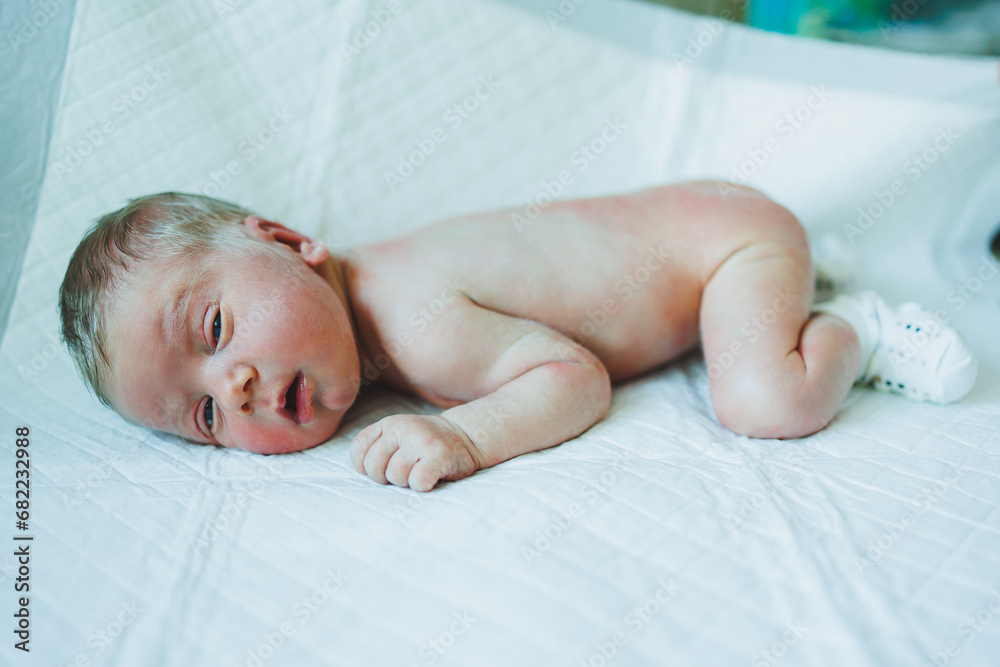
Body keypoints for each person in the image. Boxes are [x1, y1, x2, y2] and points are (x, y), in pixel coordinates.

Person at [58, 182, 977, 491]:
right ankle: (804, 278)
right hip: (710, 233)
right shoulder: (358, 321)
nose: (242, 386)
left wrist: (464, 435)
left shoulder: (415, 320)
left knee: (761, 398)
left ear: (293, 244)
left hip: (736, 242)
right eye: (207, 416)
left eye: (215, 329)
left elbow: (573, 375)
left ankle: (851, 323)